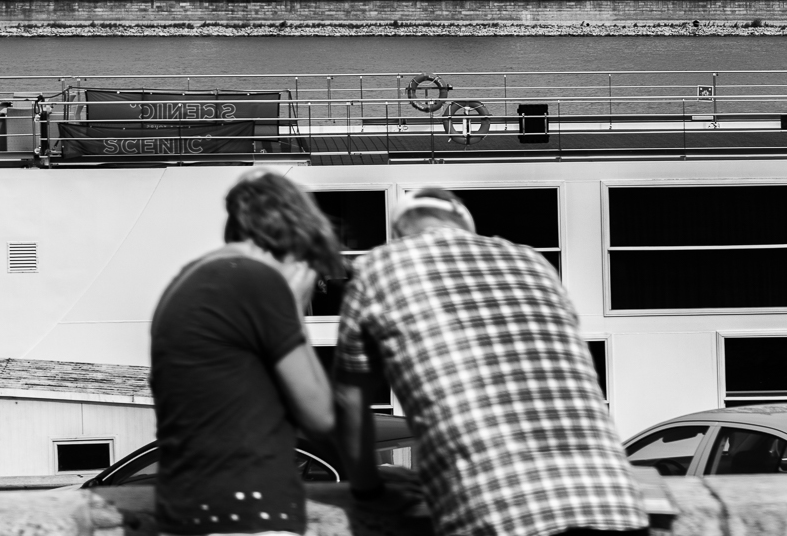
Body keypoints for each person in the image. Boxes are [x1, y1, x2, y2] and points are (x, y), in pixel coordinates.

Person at [334, 189, 645, 536]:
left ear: (401, 232)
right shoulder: (532, 263)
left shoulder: (379, 266)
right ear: (466, 225)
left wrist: (367, 488)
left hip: (495, 512)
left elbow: (350, 399)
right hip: (613, 504)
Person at [151, 171, 345, 536]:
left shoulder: (187, 280)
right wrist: (293, 308)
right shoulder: (257, 281)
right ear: (294, 242)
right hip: (249, 514)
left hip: (186, 509)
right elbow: (321, 416)